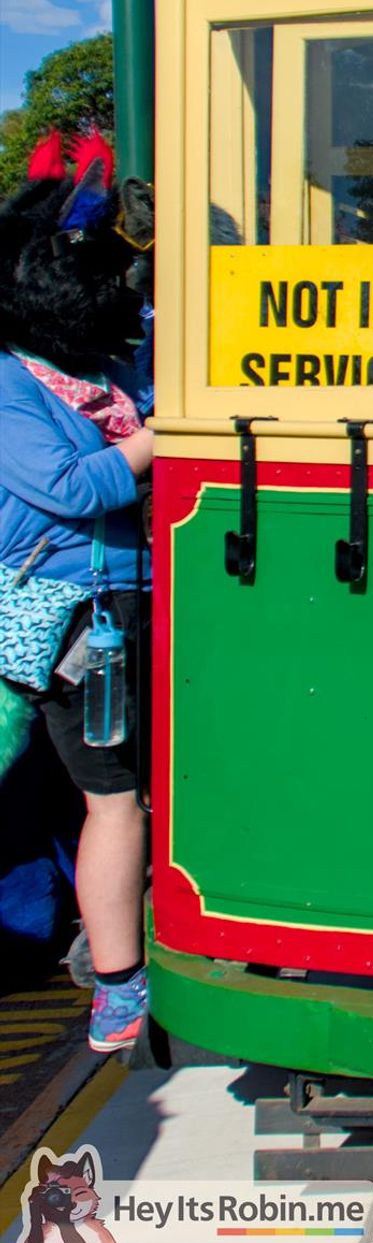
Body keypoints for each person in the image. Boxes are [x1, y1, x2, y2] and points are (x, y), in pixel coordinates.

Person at [0, 137, 153, 1051]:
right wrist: (163, 437)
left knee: (130, 794)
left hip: (130, 601)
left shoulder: (101, 369)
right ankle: (118, 980)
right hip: (74, 618)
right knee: (112, 797)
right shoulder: (13, 383)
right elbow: (73, 488)